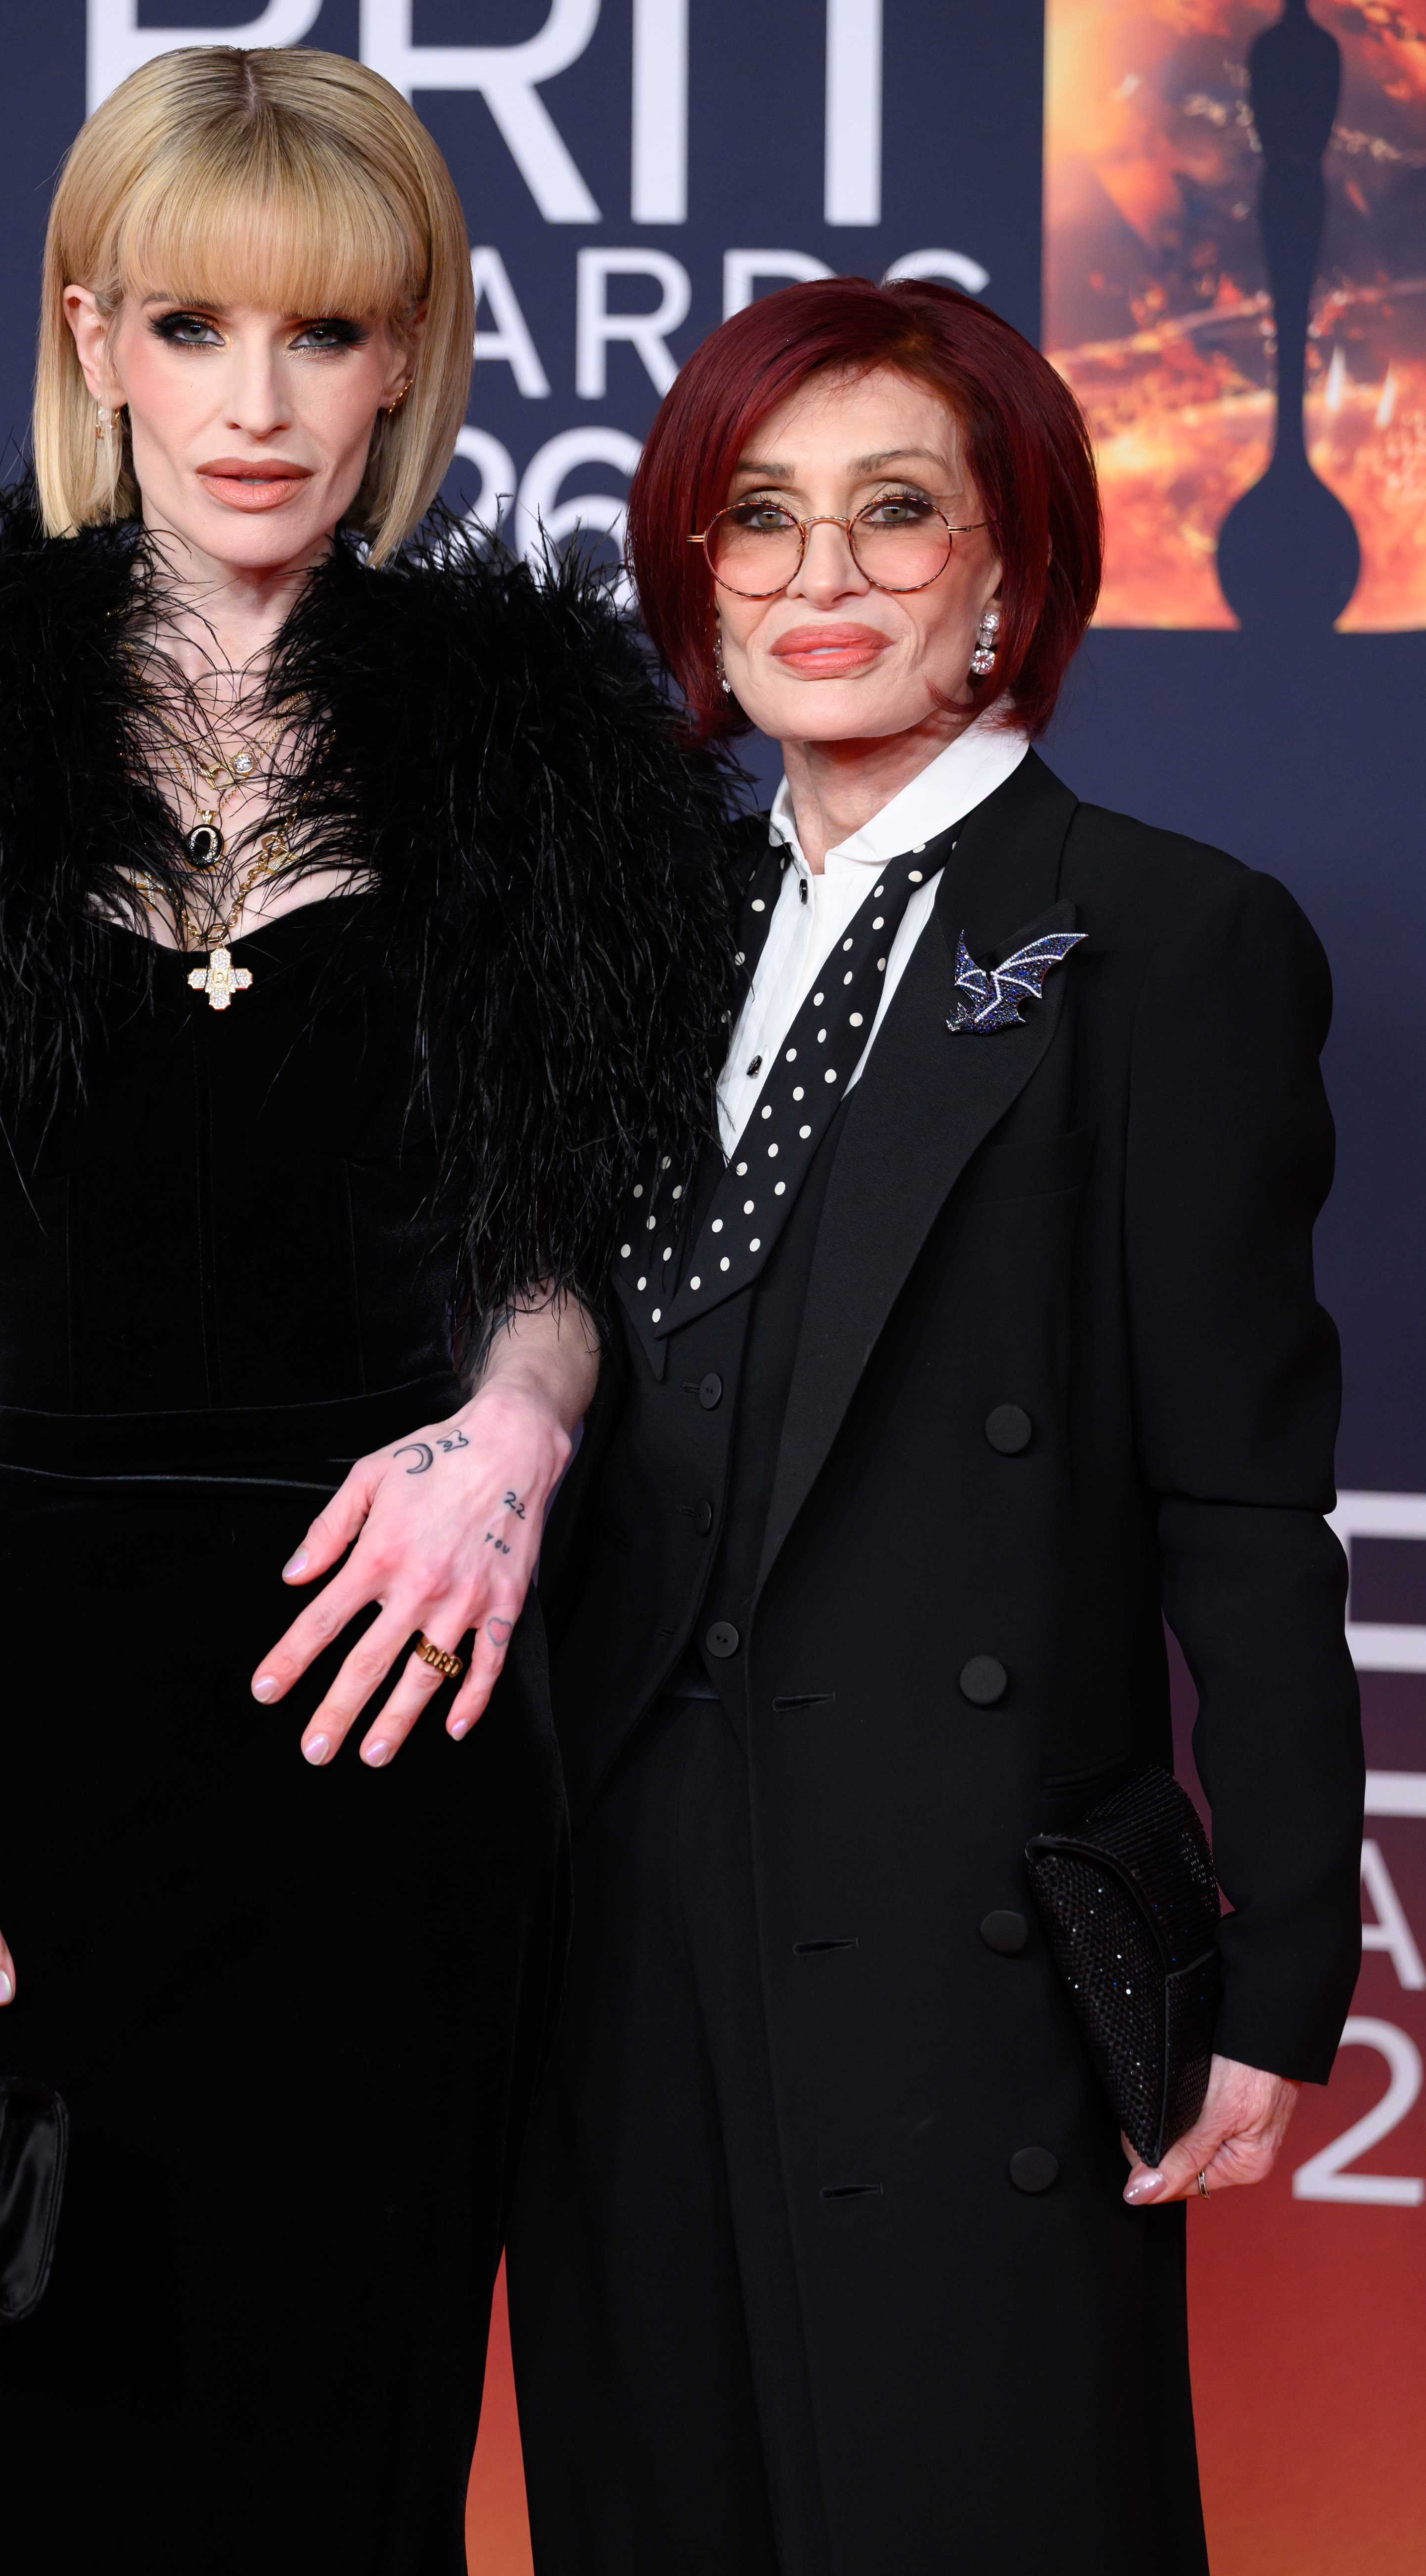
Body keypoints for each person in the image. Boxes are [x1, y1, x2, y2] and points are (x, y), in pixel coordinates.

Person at [0, 48, 730, 2573]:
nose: (255, 400)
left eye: (323, 336)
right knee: (62, 2463)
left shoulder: (532, 752)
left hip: (399, 1688)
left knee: (359, 2443)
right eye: (193, 325)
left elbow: (566, 1238)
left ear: (408, 360)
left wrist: (510, 1438)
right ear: (92, 337)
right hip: (63, 1714)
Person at [511, 278, 1365, 2576]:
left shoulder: (1163, 941)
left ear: (1008, 571)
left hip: (966, 1917)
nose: (816, 582)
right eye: (755, 520)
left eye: (893, 517)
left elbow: (1243, 1499)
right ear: (689, 567)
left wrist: (1285, 1972)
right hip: (624, 1915)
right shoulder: (637, 930)